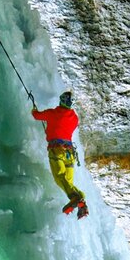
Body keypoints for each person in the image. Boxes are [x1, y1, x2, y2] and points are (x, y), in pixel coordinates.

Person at [31, 91, 88, 219]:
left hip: (57, 150)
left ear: (61, 101)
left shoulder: (53, 113)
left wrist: (34, 108)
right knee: (68, 182)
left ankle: (76, 198)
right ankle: (81, 202)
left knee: (59, 177)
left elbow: (36, 115)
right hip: (70, 153)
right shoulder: (74, 118)